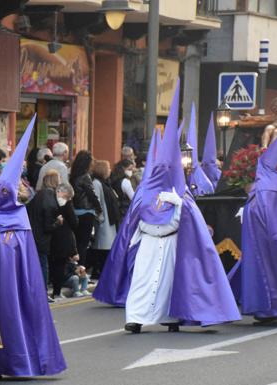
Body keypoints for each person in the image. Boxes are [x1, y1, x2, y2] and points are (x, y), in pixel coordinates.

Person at [94, 80, 240, 334]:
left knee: (169, 283)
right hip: (149, 242)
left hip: (172, 243)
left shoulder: (181, 193)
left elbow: (191, 223)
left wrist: (179, 204)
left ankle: (171, 319)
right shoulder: (143, 192)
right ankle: (136, 318)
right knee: (142, 279)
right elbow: (133, 221)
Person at [0, 116, 66, 381]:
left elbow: (7, 249)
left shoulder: (18, 217)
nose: (2, 195)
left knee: (7, 319)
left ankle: (15, 363)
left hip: (7, 278)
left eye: (6, 191)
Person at [228, 113, 277, 326]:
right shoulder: (267, 166)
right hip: (266, 215)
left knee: (268, 261)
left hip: (268, 215)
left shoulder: (270, 171)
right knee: (275, 260)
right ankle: (268, 309)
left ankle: (268, 310)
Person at [27, 170, 62, 298]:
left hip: (33, 235)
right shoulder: (50, 197)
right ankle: (43, 294)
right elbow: (48, 226)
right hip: (42, 238)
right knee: (43, 265)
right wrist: (58, 222)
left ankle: (37, 293)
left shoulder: (38, 194)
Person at [69, 151, 102, 268]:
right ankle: (81, 270)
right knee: (83, 244)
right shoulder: (85, 177)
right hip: (87, 212)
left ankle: (74, 270)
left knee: (76, 244)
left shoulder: (72, 176)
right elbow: (92, 195)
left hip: (75, 212)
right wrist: (99, 208)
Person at [90, 160, 119, 279]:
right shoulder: (97, 183)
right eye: (108, 168)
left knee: (106, 246)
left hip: (109, 219)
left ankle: (103, 271)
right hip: (104, 219)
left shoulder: (105, 183)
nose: (110, 171)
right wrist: (100, 218)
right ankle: (98, 271)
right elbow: (96, 200)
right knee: (102, 246)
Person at [49, 183, 78, 299]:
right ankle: (56, 292)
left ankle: (56, 291)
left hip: (53, 238)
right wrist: (69, 204)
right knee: (60, 267)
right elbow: (74, 223)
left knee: (55, 266)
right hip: (62, 240)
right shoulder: (67, 205)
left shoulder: (52, 201)